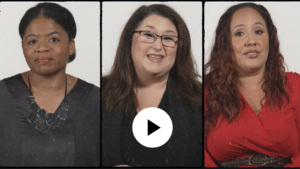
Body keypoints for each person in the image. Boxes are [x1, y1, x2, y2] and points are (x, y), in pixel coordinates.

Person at [102, 4, 202, 167]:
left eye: (168, 38)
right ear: (129, 41)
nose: (157, 46)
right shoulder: (97, 94)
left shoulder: (201, 101)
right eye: (148, 35)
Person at [0, 3, 100, 166]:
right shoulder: (2, 95)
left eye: (53, 39)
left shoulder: (97, 100)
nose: (42, 48)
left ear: (71, 46)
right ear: (23, 47)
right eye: (32, 41)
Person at [204, 2, 300, 167]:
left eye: (258, 32)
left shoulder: (294, 85)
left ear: (270, 39)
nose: (251, 41)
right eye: (239, 33)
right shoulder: (206, 91)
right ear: (225, 44)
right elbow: (197, 153)